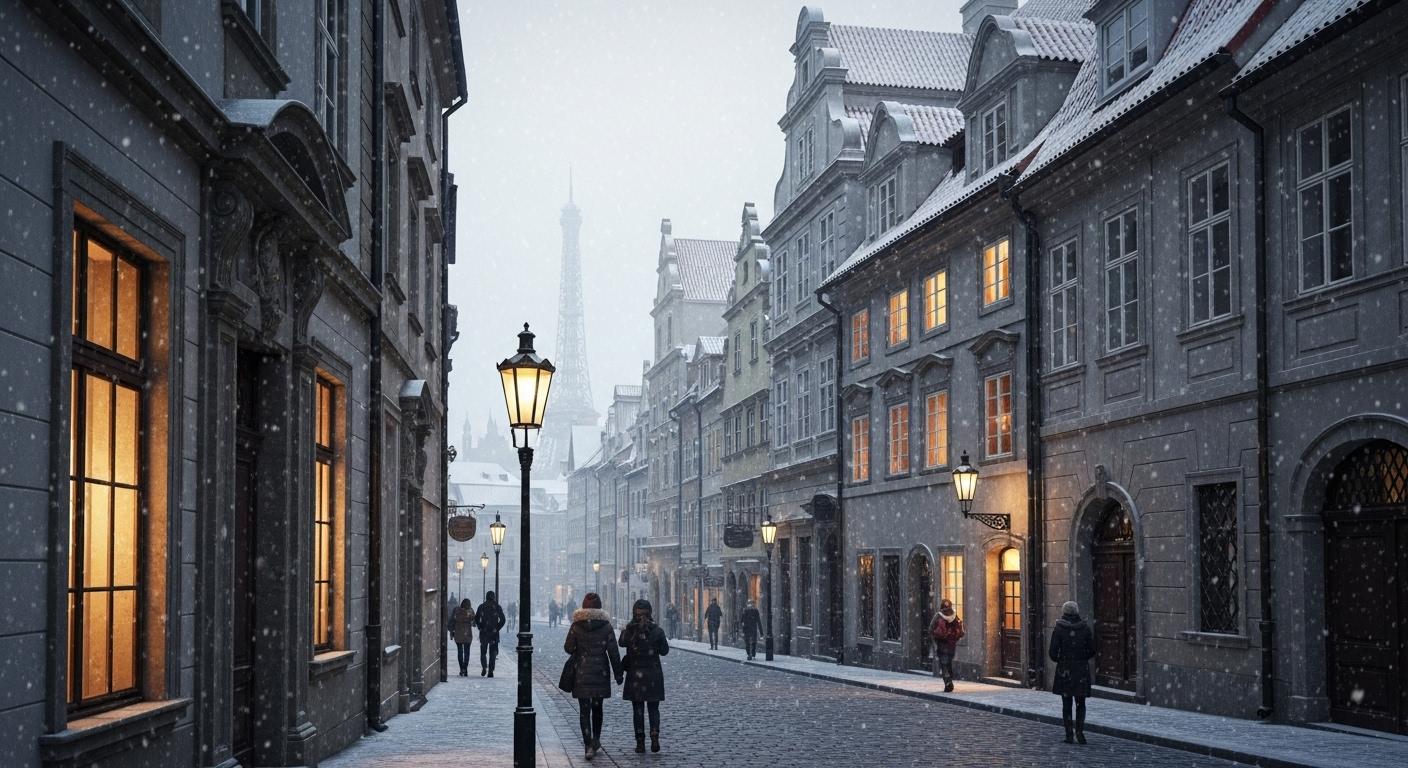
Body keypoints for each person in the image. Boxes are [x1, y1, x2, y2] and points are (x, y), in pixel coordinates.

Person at [564, 592, 622, 761]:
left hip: (581, 673)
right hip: (600, 672)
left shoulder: (576, 625)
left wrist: (579, 647)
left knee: (584, 711)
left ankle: (588, 744)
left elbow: (568, 648)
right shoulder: (606, 626)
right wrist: (618, 673)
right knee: (597, 708)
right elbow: (613, 652)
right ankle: (596, 739)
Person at [619, 598, 669, 754]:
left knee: (638, 710)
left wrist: (629, 629)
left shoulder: (630, 630)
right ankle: (654, 734)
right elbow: (664, 651)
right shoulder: (657, 630)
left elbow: (621, 642)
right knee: (653, 709)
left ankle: (640, 742)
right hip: (653, 675)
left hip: (636, 676)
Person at [1050, 600, 1097, 744]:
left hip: (1065, 670)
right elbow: (1092, 650)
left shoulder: (1059, 629)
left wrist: (1062, 660)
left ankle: (1069, 735)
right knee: (1081, 703)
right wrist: (1081, 659)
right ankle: (1080, 733)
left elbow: (1052, 653)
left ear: (1064, 612)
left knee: (1066, 703)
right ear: (1077, 612)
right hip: (1081, 670)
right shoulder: (1084, 628)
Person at [929, 598, 964, 692]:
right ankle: (949, 678)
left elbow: (930, 629)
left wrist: (934, 640)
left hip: (941, 643)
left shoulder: (938, 616)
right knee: (948, 662)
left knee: (943, 663)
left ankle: (948, 681)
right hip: (951, 644)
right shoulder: (955, 616)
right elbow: (961, 632)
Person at [474, 590, 506, 677]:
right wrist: (497, 628)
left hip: (484, 632)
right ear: (494, 597)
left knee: (483, 652)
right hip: (493, 633)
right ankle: (491, 670)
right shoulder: (497, 607)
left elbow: (476, 618)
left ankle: (484, 667)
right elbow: (503, 620)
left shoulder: (482, 606)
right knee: (493, 652)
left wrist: (480, 626)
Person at [451, 598, 475, 676]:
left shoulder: (456, 610)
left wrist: (452, 631)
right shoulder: (470, 611)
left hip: (458, 634)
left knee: (460, 652)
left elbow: (452, 621)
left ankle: (461, 668)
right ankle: (465, 668)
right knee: (467, 652)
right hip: (467, 634)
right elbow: (474, 621)